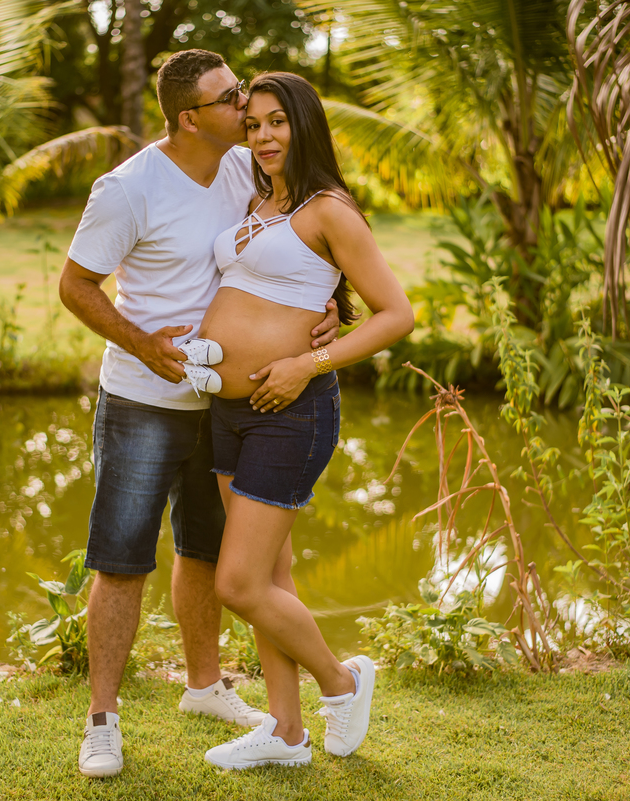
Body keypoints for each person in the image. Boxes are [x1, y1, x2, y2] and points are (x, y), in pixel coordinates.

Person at [57, 51, 340, 779]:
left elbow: (297, 246)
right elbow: (75, 285)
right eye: (231, 97)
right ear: (190, 117)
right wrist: (142, 344)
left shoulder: (247, 169)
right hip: (143, 403)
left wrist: (327, 311)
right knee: (122, 560)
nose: (245, 105)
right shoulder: (127, 189)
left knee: (206, 553)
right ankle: (102, 719)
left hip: (226, 405)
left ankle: (205, 686)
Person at [188, 72, 415, 770]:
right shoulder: (257, 201)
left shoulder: (329, 209)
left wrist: (304, 365)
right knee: (271, 577)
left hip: (291, 412)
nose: (263, 136)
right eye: (253, 124)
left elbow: (396, 314)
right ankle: (285, 732)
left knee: (238, 583)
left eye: (277, 122)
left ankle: (341, 681)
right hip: (228, 409)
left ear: (305, 124)